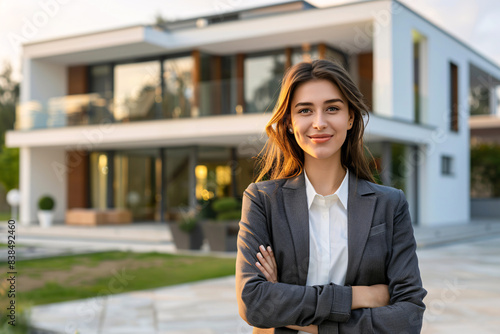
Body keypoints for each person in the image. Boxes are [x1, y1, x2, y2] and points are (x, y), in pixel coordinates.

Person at [235, 59, 427, 334]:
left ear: (350, 118)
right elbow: (254, 304)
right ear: (289, 122)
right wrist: (362, 297)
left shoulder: (390, 204)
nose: (319, 122)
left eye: (332, 108)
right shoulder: (262, 201)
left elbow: (408, 318)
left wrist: (285, 301)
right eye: (305, 110)